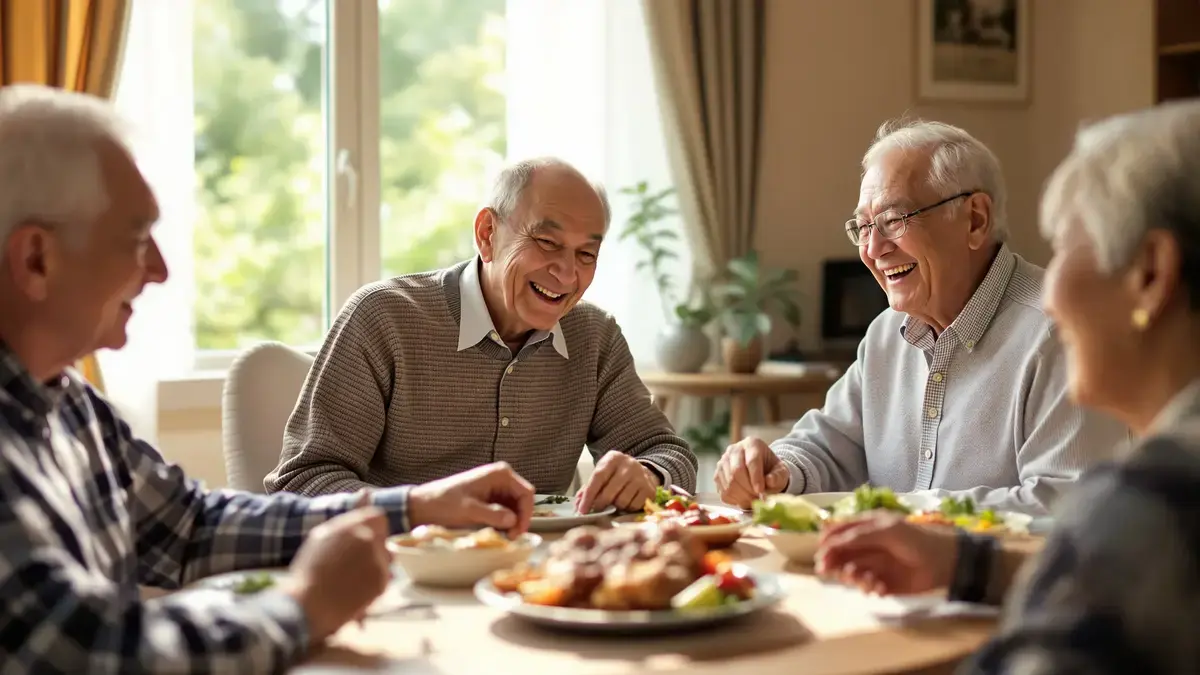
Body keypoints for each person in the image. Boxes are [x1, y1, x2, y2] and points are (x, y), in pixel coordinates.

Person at [0, 84, 536, 673]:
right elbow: (87, 655)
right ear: (36, 260)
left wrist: (416, 508)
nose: (159, 268)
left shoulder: (67, 403)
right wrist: (303, 604)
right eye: (134, 238)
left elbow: (190, 526)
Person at [817, 101, 1200, 673]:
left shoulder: (1154, 501)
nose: (1048, 296)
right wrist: (969, 566)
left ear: (1150, 273)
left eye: (1070, 246)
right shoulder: (1147, 507)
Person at [715, 119, 1127, 515]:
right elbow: (831, 445)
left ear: (975, 220)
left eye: (894, 220)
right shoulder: (885, 336)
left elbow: (1069, 506)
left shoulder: (1061, 333)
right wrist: (778, 470)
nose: (873, 249)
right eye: (862, 227)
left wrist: (908, 516)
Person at [265, 156, 697, 514]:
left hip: (541, 582)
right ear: (487, 234)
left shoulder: (594, 337)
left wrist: (648, 474)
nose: (568, 274)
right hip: (402, 581)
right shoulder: (384, 318)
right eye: (546, 243)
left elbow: (669, 453)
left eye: (586, 253)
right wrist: (420, 508)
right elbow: (302, 482)